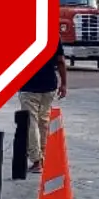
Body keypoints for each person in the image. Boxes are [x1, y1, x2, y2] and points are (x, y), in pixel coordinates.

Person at [18, 39, 68, 174]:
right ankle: (43, 157)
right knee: (44, 122)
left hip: (28, 85)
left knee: (31, 123)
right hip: (49, 84)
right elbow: (61, 61)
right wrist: (63, 83)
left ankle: (36, 160)